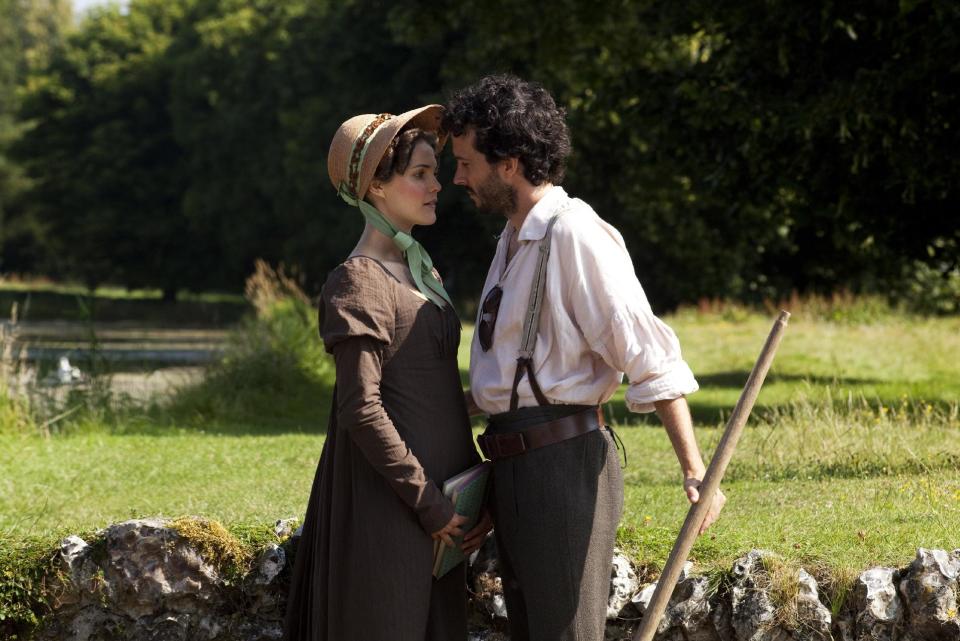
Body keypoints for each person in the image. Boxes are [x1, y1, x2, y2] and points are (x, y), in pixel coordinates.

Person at [443, 75, 727, 641]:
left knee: (567, 634)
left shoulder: (575, 234)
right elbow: (509, 379)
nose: (457, 177)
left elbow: (646, 353)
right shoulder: (511, 237)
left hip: (562, 468)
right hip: (512, 467)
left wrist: (696, 472)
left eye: (466, 162)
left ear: (510, 163)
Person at [284, 105, 487, 641]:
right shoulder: (360, 281)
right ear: (375, 185)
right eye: (419, 174)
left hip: (445, 510)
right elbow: (361, 406)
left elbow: (423, 386)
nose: (436, 185)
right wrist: (427, 501)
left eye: (435, 173)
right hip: (394, 508)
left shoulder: (417, 270)